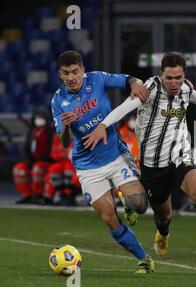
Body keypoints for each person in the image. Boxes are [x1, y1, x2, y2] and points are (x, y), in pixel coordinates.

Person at [83, 51, 196, 268]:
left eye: (178, 78)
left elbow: (192, 93)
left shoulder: (186, 87)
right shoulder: (149, 90)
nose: (174, 83)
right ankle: (163, 232)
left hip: (179, 155)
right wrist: (102, 126)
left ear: (184, 75)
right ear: (161, 75)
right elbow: (123, 108)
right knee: (164, 216)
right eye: (169, 78)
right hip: (153, 164)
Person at [50, 50, 155, 273]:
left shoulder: (97, 79)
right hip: (88, 166)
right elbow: (64, 142)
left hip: (115, 155)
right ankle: (143, 259)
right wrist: (67, 126)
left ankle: (126, 200)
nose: (71, 77)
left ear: (83, 70)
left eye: (75, 72)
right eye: (66, 73)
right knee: (109, 217)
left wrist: (135, 83)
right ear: (60, 74)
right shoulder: (58, 101)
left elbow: (125, 79)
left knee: (140, 205)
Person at [13, 107, 54, 204]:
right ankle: (28, 195)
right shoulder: (32, 132)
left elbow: (53, 149)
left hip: (47, 161)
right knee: (19, 169)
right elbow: (26, 148)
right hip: (32, 160)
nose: (39, 119)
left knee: (37, 168)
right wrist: (27, 159)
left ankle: (39, 194)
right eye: (37, 117)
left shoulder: (51, 132)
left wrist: (45, 159)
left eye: (41, 117)